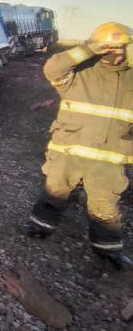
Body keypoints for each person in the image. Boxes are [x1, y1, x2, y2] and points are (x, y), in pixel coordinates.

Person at [20, 22, 133, 270]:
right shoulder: (79, 72)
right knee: (55, 191)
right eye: (109, 48)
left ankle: (108, 249)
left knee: (105, 204)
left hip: (110, 156)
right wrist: (90, 48)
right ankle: (40, 227)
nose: (116, 53)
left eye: (121, 48)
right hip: (68, 150)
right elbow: (52, 67)